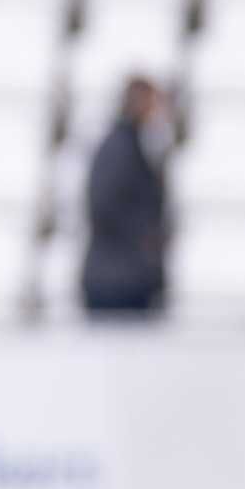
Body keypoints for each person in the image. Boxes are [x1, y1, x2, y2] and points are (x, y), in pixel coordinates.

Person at [82, 76, 170, 313]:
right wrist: (145, 239)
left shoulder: (133, 147)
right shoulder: (119, 150)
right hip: (117, 283)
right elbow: (103, 207)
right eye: (152, 103)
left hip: (125, 277)